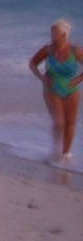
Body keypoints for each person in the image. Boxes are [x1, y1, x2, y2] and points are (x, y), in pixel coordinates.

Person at [29, 19, 83, 163]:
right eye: (52, 32)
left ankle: (66, 154)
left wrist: (78, 79)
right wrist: (42, 77)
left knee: (70, 122)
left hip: (71, 90)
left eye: (55, 32)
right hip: (51, 89)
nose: (52, 34)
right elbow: (32, 63)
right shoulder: (48, 50)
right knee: (59, 122)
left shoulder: (75, 50)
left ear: (64, 35)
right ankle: (55, 150)